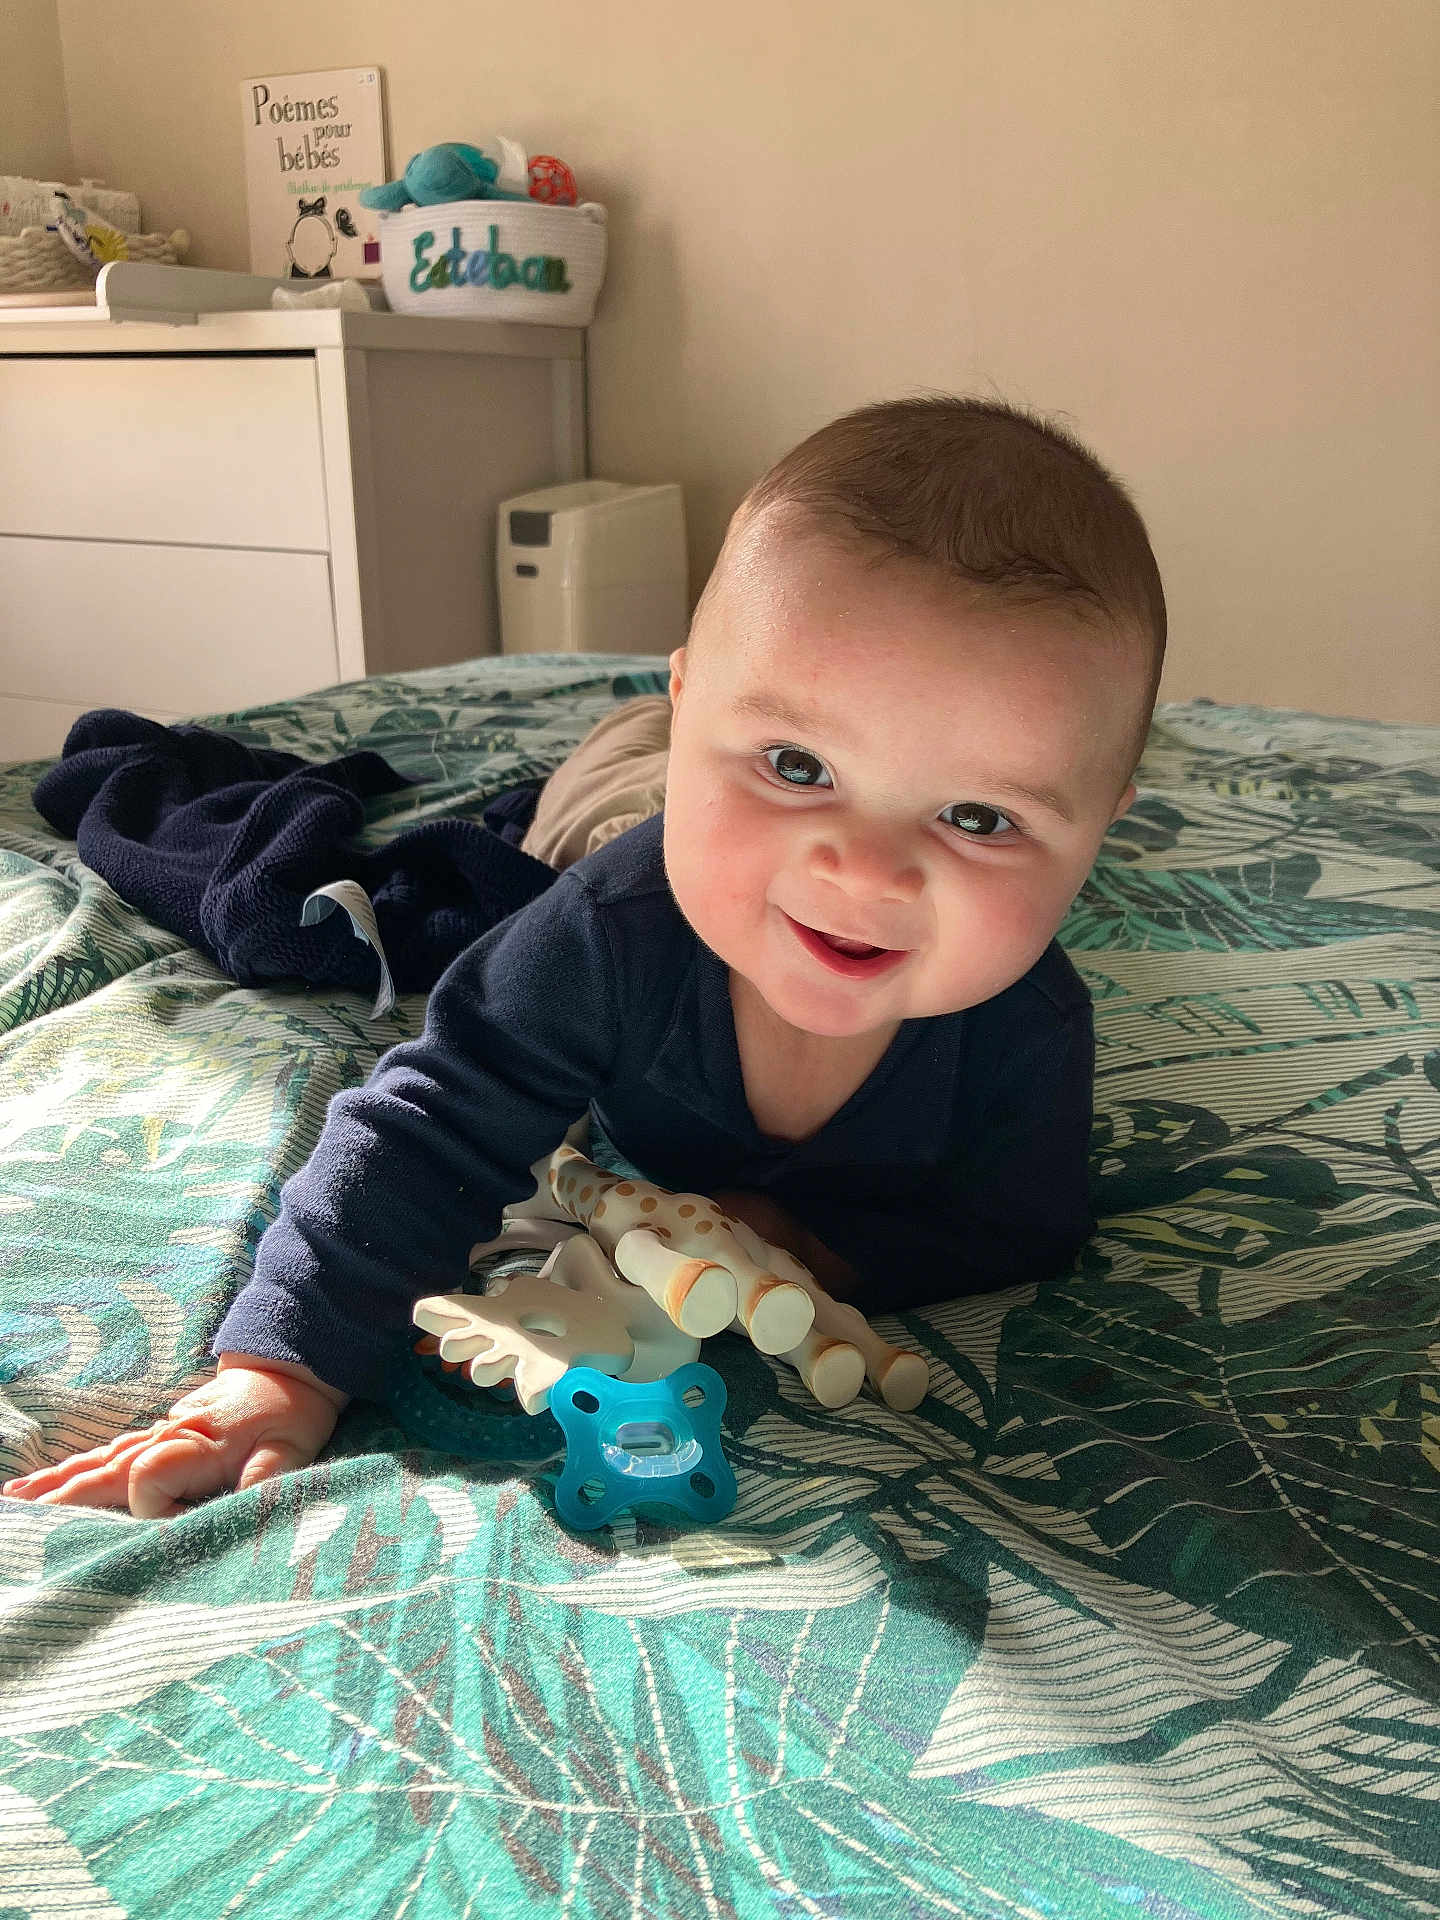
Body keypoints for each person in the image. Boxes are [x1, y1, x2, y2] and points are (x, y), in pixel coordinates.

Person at [5, 394, 1166, 1517]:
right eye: (796, 764)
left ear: (1101, 828)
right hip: (604, 824)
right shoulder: (606, 935)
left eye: (977, 818)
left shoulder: (1029, 1030)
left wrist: (820, 1245)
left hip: (693, 817)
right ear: (692, 697)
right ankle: (639, 737)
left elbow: (1017, 1226)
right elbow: (427, 1126)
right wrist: (281, 1371)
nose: (864, 874)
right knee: (583, 819)